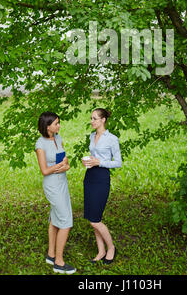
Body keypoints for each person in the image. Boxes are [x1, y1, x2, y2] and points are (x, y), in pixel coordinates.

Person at [35, 111, 76, 275]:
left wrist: (63, 166)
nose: (59, 126)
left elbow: (66, 161)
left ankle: (51, 255)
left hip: (62, 183)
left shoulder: (58, 138)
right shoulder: (40, 144)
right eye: (56, 123)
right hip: (52, 185)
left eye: (59, 122)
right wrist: (59, 167)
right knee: (66, 221)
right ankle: (59, 263)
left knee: (54, 218)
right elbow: (44, 170)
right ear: (47, 126)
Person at [82, 108, 122, 264]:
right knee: (93, 217)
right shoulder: (92, 136)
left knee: (95, 220)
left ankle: (111, 248)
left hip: (102, 178)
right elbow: (95, 156)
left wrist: (100, 162)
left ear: (103, 120)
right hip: (90, 176)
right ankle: (101, 251)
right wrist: (91, 160)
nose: (92, 121)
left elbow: (118, 162)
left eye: (95, 119)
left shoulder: (112, 139)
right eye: (91, 118)